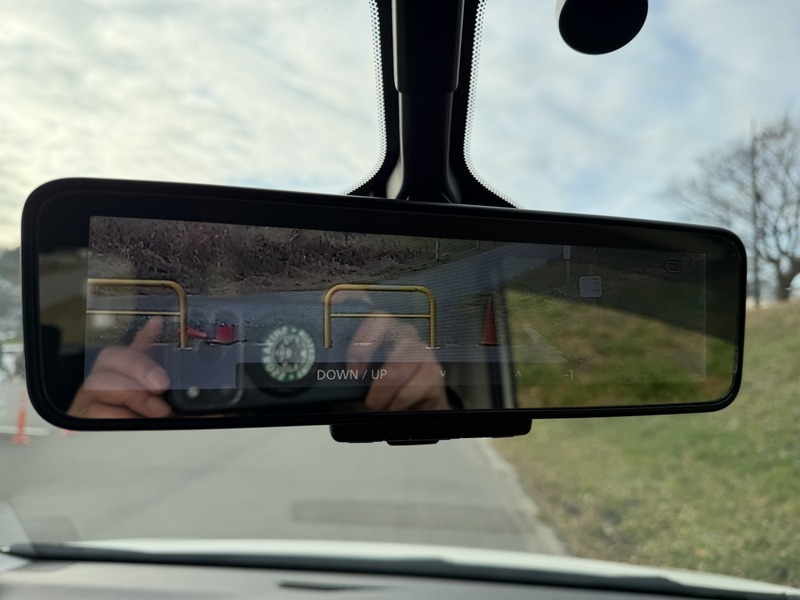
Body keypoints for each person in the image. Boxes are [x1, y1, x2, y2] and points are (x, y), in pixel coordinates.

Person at [70, 315, 450, 418]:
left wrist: (423, 410)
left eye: (331, 319)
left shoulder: (372, 373)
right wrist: (104, 425)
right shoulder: (157, 386)